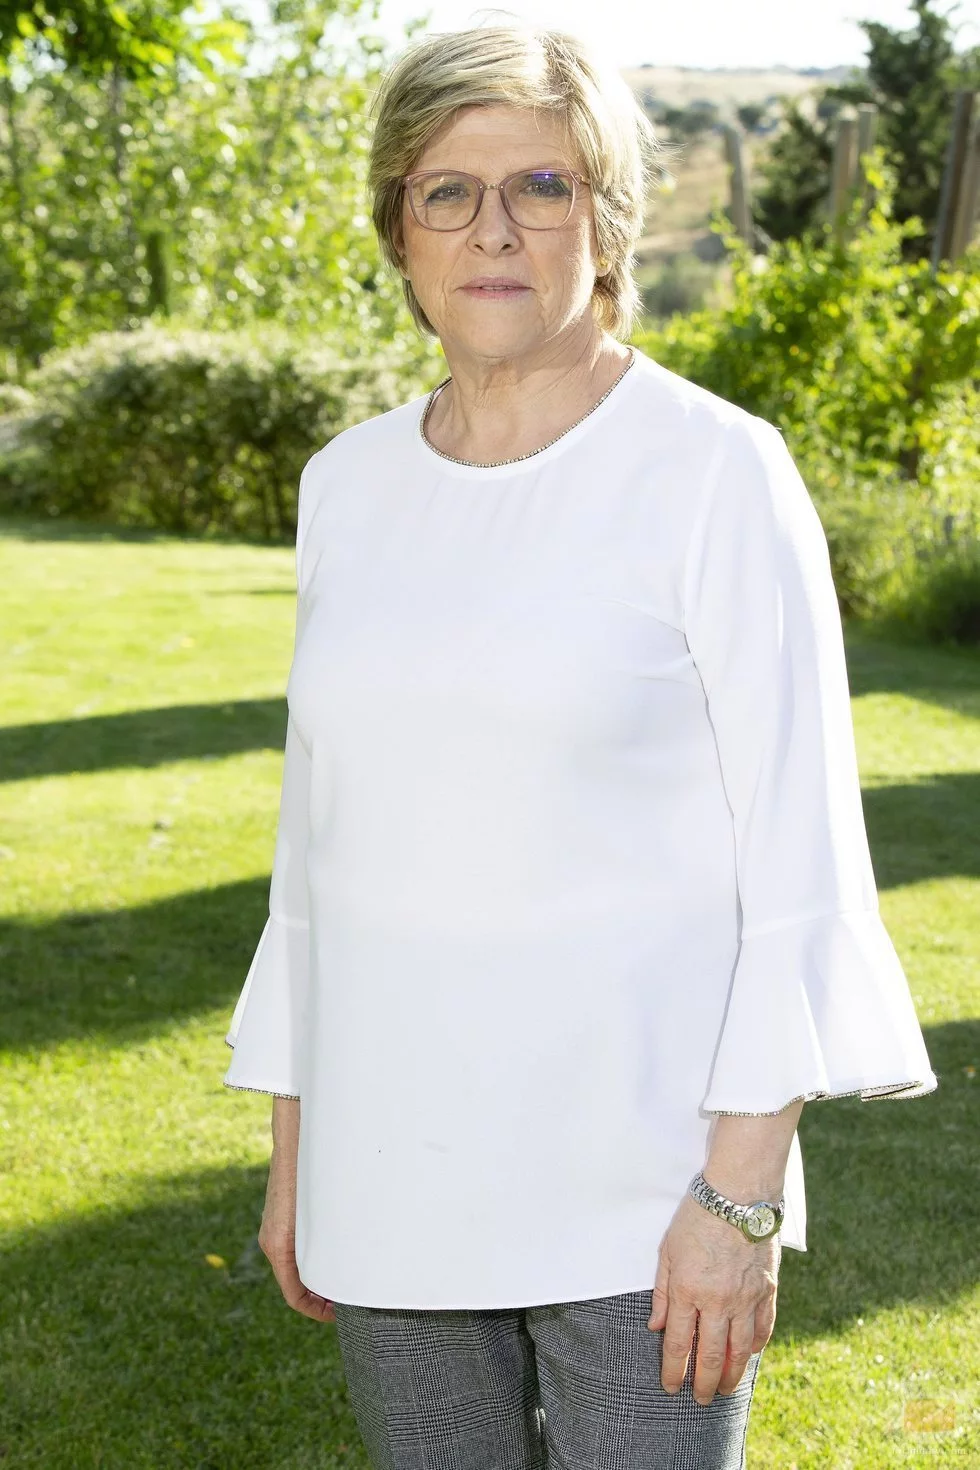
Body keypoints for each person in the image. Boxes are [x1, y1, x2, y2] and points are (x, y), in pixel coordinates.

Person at [222, 23, 937, 1469]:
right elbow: (317, 854)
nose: (492, 229)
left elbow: (798, 866)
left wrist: (740, 1199)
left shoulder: (716, 470)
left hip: (648, 1201)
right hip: (392, 1175)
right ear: (398, 228)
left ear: (606, 220)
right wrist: (302, 1153)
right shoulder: (346, 485)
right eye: (448, 191)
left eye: (540, 185)